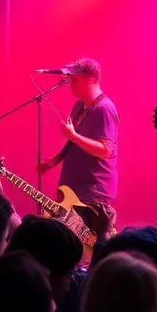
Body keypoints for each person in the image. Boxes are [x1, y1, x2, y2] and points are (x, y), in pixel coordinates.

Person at [36, 58, 119, 224]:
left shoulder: (104, 109)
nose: (71, 84)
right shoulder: (79, 106)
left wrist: (73, 135)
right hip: (73, 186)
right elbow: (73, 143)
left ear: (93, 79)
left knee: (87, 243)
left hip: (93, 190)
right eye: (70, 80)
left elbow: (105, 150)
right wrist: (55, 160)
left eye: (75, 80)